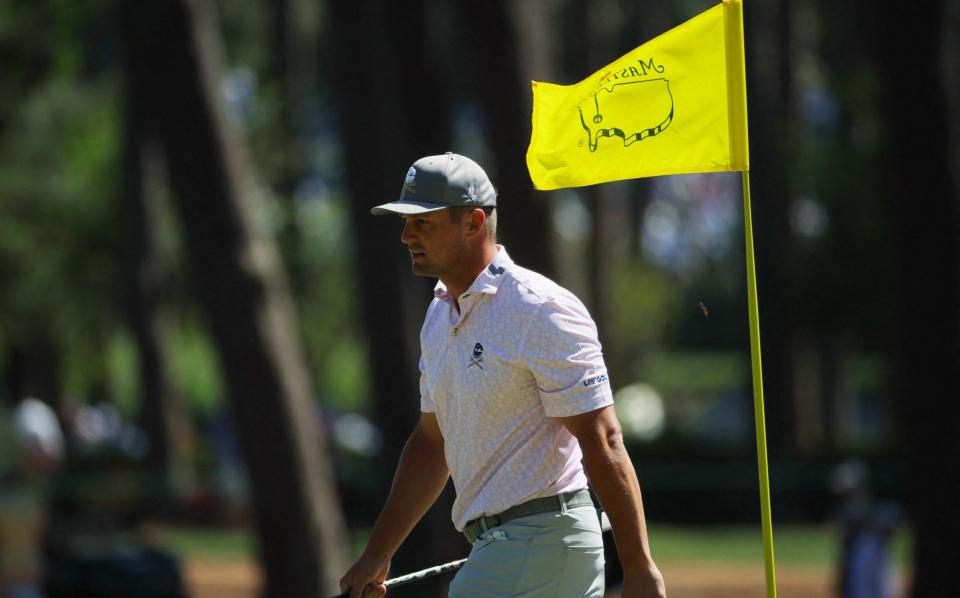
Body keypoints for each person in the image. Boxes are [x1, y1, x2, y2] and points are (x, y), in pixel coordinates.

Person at [340, 153, 666, 598]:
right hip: (505, 547)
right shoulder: (439, 316)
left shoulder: (539, 308)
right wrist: (377, 553)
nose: (405, 236)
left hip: (541, 541)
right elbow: (432, 445)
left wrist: (639, 568)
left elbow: (602, 437)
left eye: (423, 224)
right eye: (405, 223)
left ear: (474, 222)